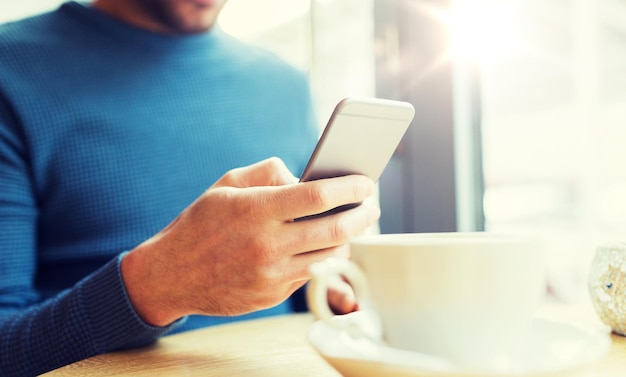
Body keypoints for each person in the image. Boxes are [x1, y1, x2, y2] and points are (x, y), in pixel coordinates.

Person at [0, 1, 380, 375]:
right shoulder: (10, 67)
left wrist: (325, 279)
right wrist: (155, 286)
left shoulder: (284, 85)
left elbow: (295, 281)